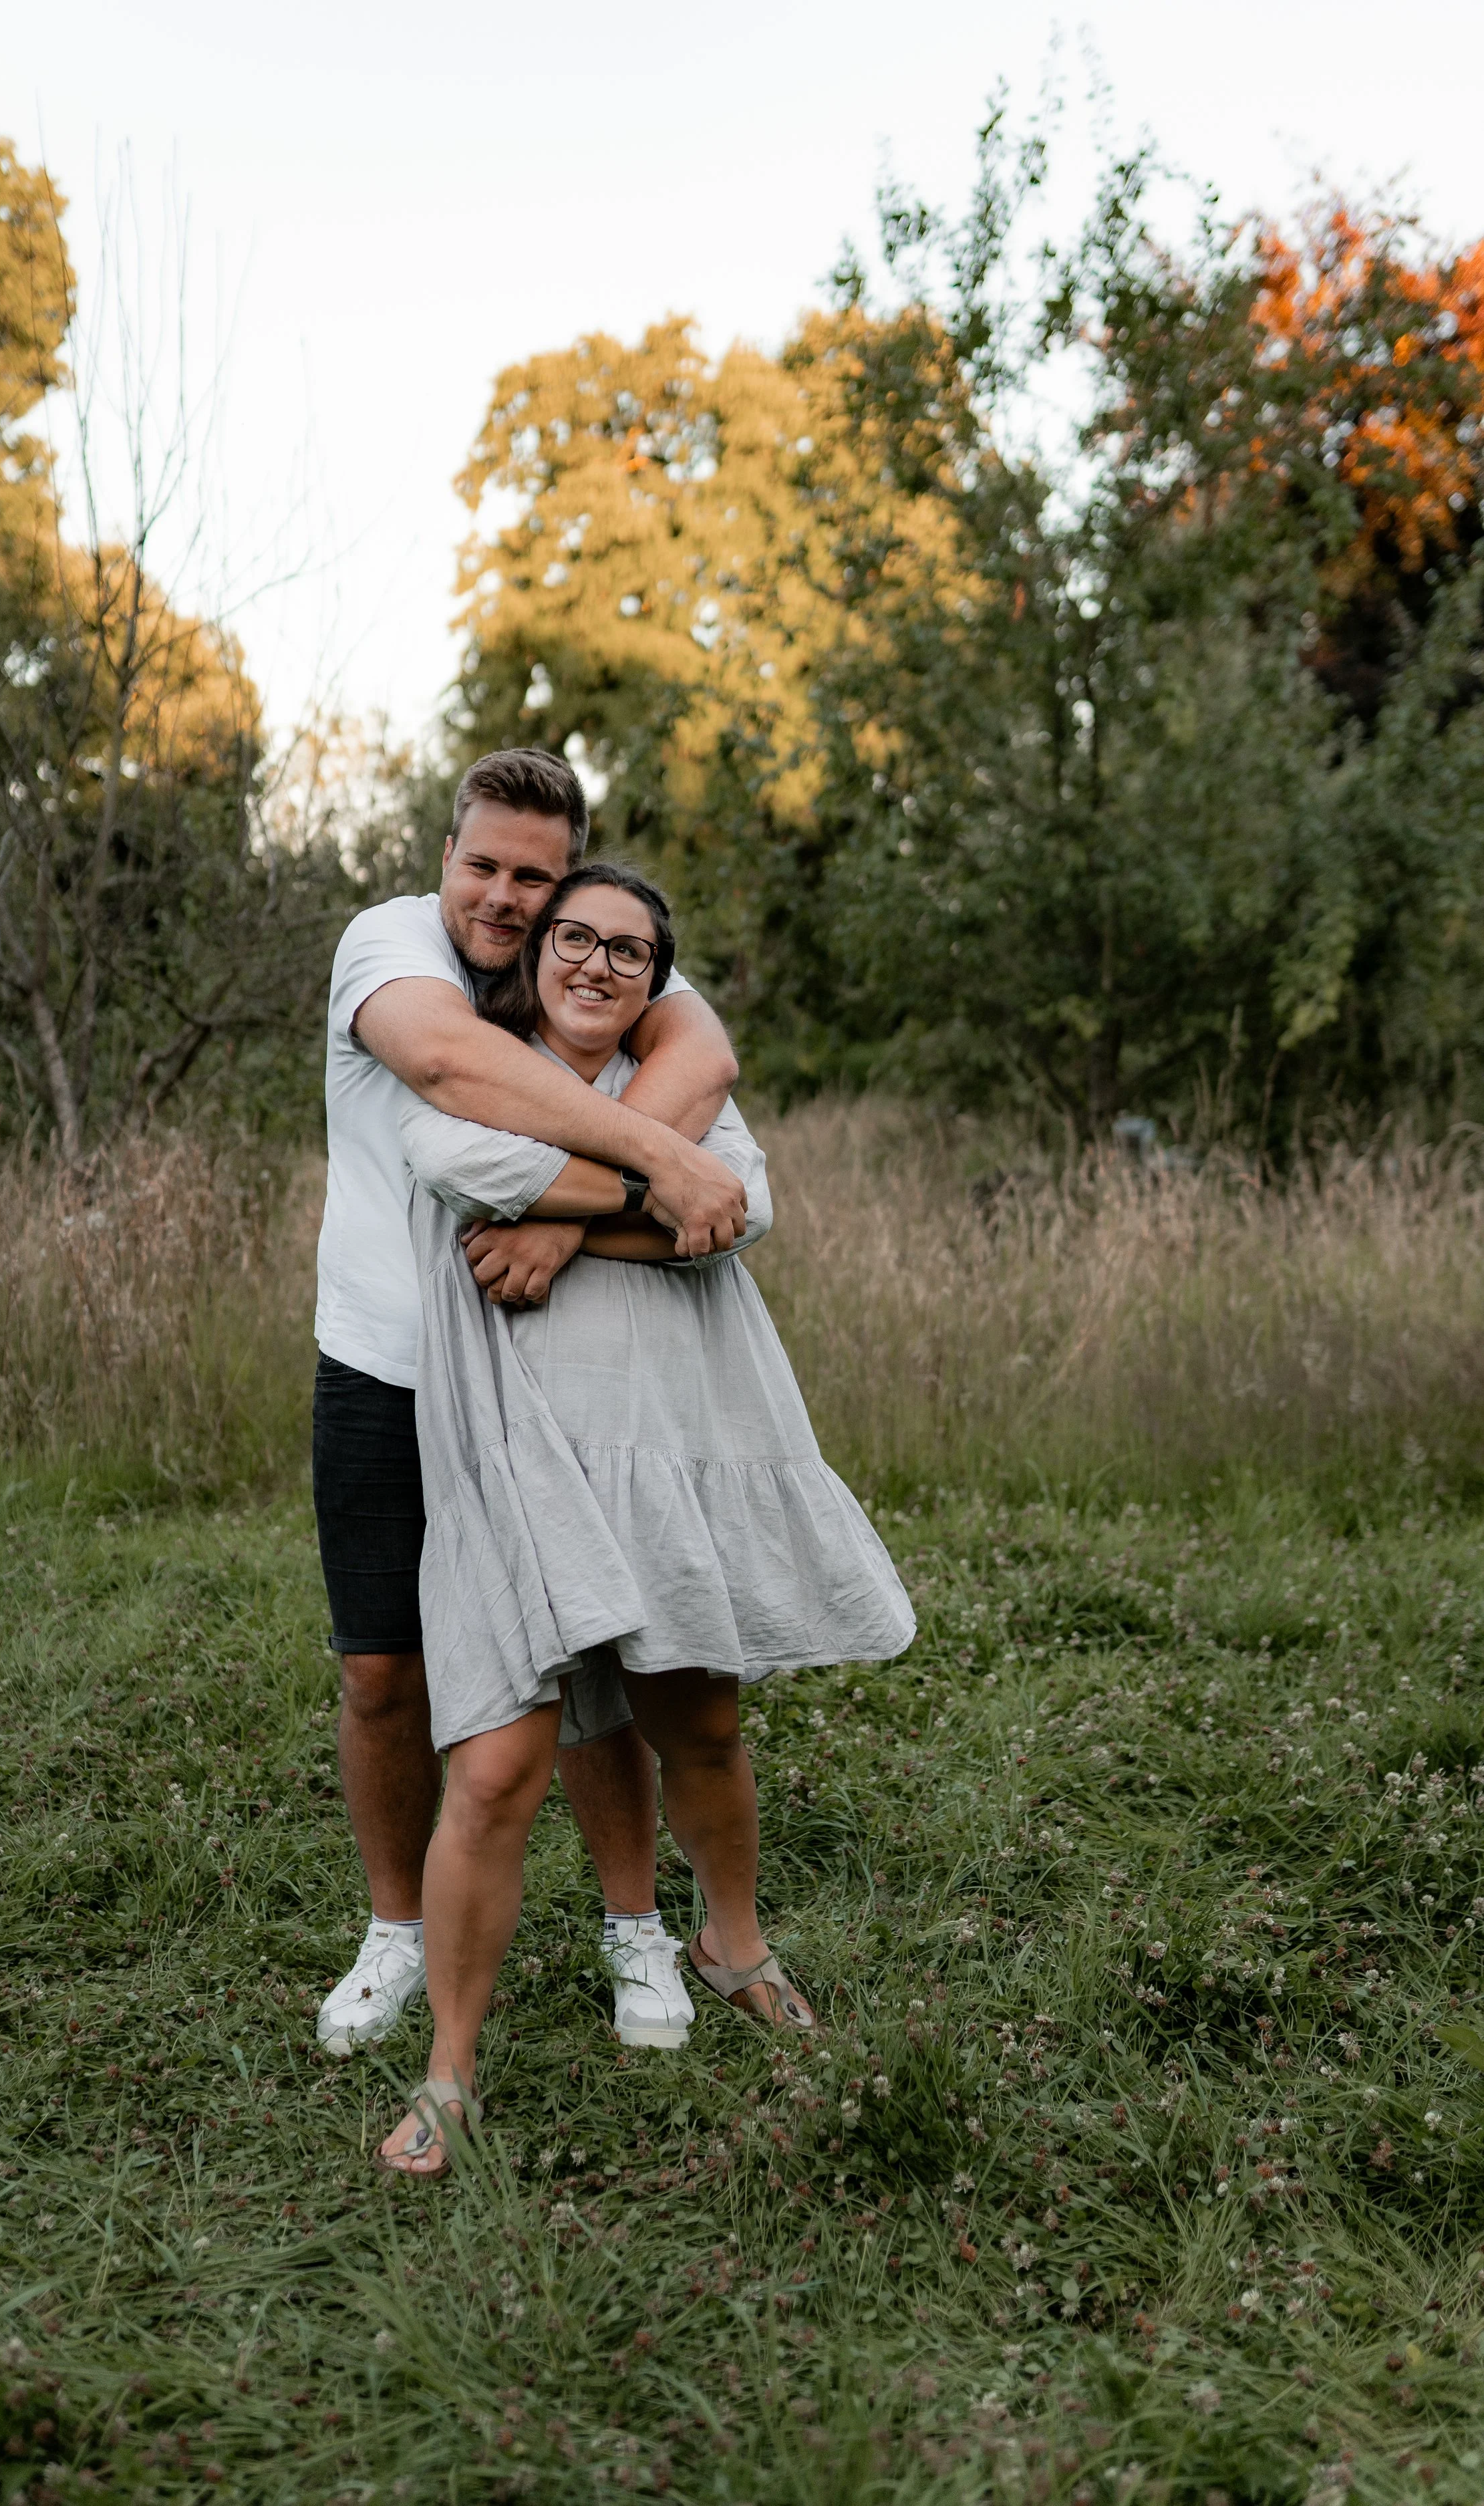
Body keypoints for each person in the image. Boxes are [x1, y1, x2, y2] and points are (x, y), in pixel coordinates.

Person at [376, 862, 915, 2176]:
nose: (597, 966)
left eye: (630, 951)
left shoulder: (687, 1091)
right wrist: (655, 1195)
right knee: (495, 1769)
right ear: (535, 954)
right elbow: (456, 1169)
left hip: (672, 1451)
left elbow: (740, 1208)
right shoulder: (482, 1068)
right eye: (575, 939)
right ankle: (449, 2073)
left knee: (702, 1722)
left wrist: (558, 1234)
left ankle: (729, 1945)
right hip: (524, 1460)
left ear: (654, 977)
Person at [312, 749, 750, 2058]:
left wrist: (558, 1232)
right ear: (443, 857)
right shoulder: (389, 945)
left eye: (534, 876)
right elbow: (447, 1076)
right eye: (483, 866)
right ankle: (395, 1928)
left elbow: (702, 1039)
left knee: (595, 1675)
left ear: (570, 883)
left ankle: (637, 1928)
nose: (502, 897)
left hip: (534, 1372)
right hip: (384, 1370)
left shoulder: (584, 960)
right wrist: (660, 1162)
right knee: (383, 1675)